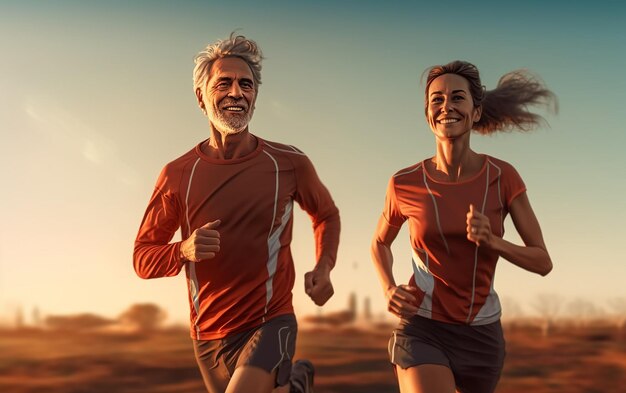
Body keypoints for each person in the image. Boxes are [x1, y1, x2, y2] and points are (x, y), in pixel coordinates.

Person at [134, 32, 340, 393]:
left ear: (255, 96)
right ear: (201, 97)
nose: (236, 93)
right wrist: (183, 249)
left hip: (272, 320)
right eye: (224, 83)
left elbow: (325, 214)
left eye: (246, 84)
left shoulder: (287, 163)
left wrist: (323, 267)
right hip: (208, 335)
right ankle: (298, 385)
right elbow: (142, 258)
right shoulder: (177, 174)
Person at [371, 60, 556, 393]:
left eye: (457, 98)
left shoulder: (503, 177)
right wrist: (388, 287)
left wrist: (494, 242)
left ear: (475, 112)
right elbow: (379, 244)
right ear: (427, 113)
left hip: (482, 336)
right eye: (436, 100)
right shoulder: (403, 183)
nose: (446, 107)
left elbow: (543, 261)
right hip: (423, 327)